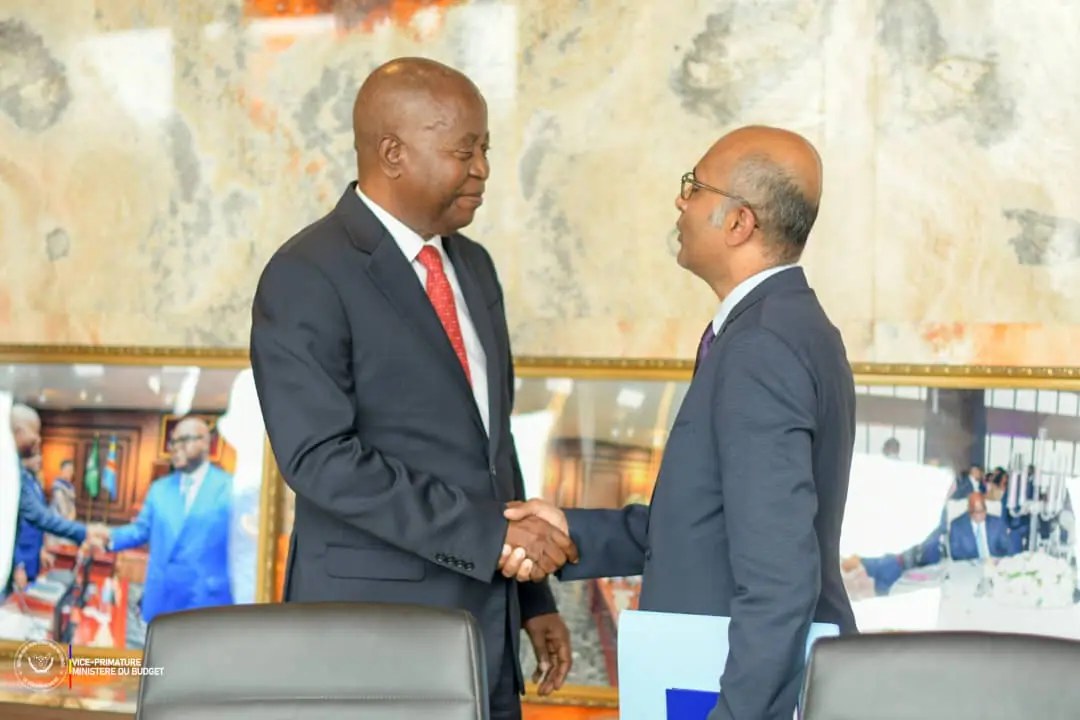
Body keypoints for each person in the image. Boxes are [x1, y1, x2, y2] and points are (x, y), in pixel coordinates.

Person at [249, 57, 576, 720]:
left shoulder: (474, 267)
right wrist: (490, 537)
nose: (483, 169)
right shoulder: (307, 272)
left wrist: (531, 597)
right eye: (465, 150)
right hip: (372, 640)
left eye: (486, 149)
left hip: (486, 626)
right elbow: (320, 458)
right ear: (392, 153)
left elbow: (492, 448)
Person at [500, 126, 858, 720]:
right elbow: (713, 523)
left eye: (694, 187)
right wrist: (571, 529)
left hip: (730, 690)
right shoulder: (782, 326)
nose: (680, 201)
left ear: (739, 222)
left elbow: (779, 577)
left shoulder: (761, 346)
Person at [90, 417, 234, 625]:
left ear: (205, 442)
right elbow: (141, 530)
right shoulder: (159, 489)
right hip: (161, 599)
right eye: (173, 442)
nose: (175, 448)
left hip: (205, 603)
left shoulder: (230, 487)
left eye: (183, 440)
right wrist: (109, 537)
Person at [8, 404, 98, 591]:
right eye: (35, 432)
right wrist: (86, 532)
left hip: (28, 558)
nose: (39, 439)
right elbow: (35, 519)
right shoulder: (10, 472)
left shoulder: (25, 476)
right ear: (19, 431)